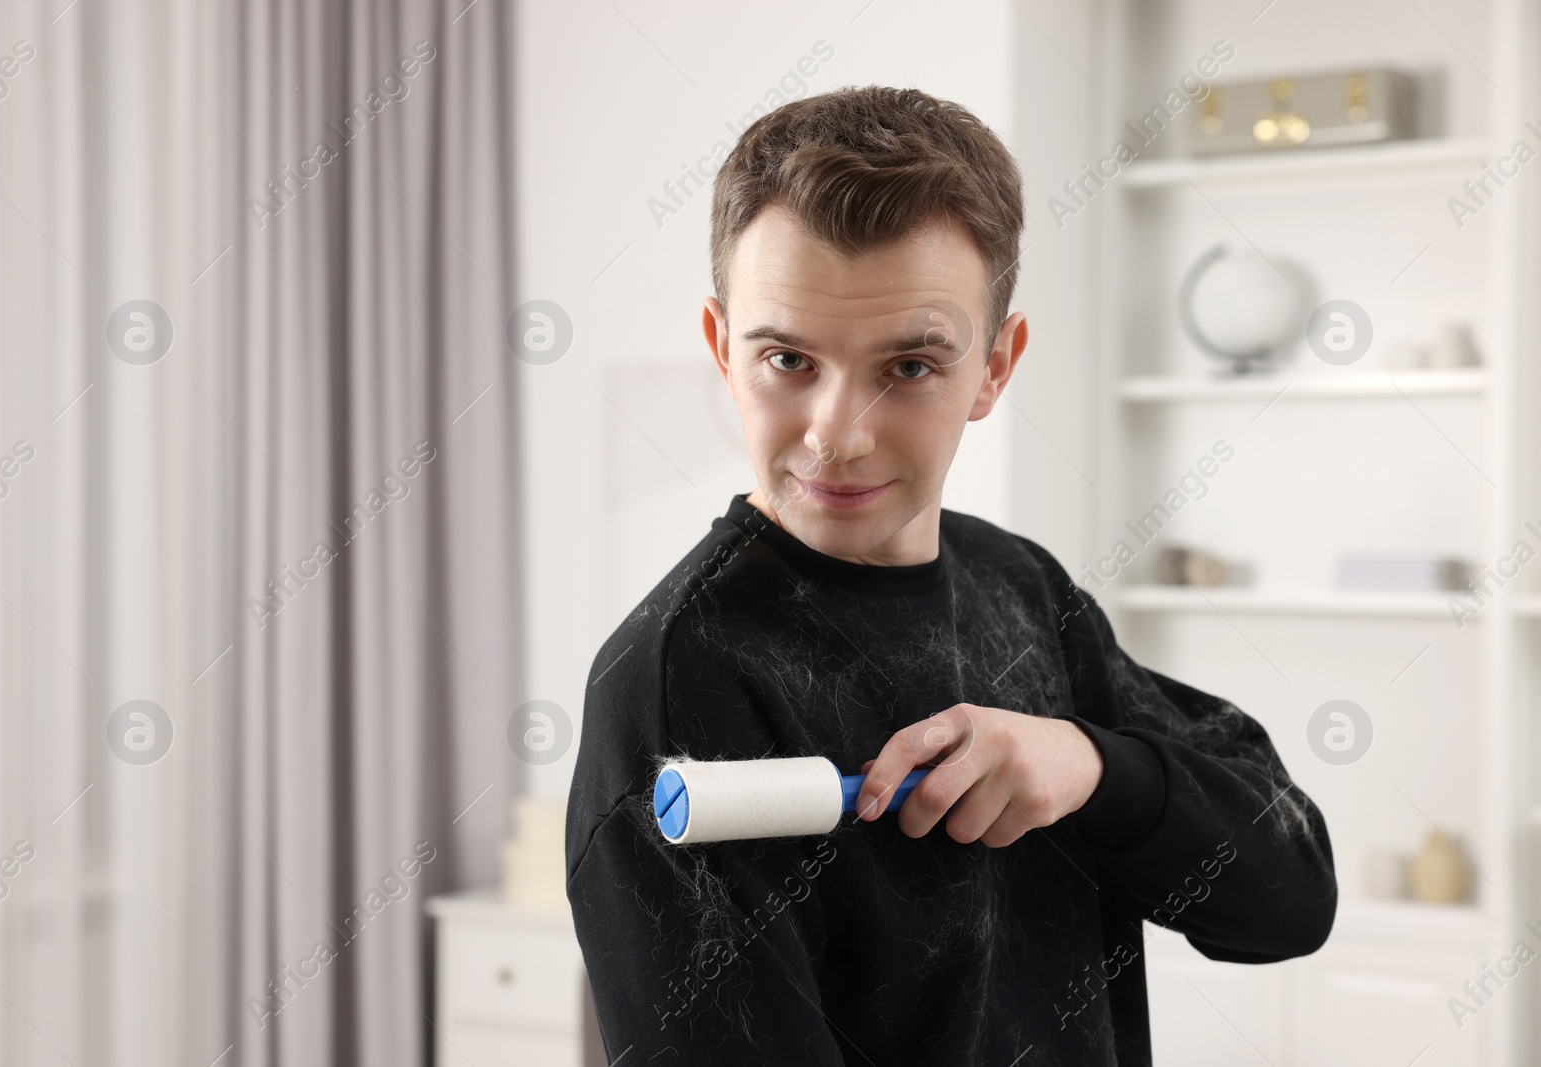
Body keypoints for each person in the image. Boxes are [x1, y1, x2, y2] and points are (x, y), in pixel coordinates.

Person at [564, 84, 1336, 1066]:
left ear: (993, 368)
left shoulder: (1026, 594)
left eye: (910, 366)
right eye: (789, 359)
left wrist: (1095, 771)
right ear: (723, 349)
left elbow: (1287, 902)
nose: (837, 435)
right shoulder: (680, 679)